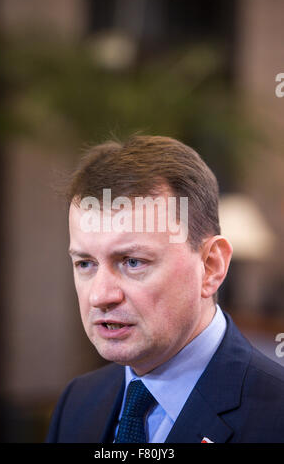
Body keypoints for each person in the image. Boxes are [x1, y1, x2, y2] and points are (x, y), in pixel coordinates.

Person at [46, 135, 284, 443]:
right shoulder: (76, 403)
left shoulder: (276, 415)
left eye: (132, 262)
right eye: (85, 264)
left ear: (211, 266)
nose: (100, 296)